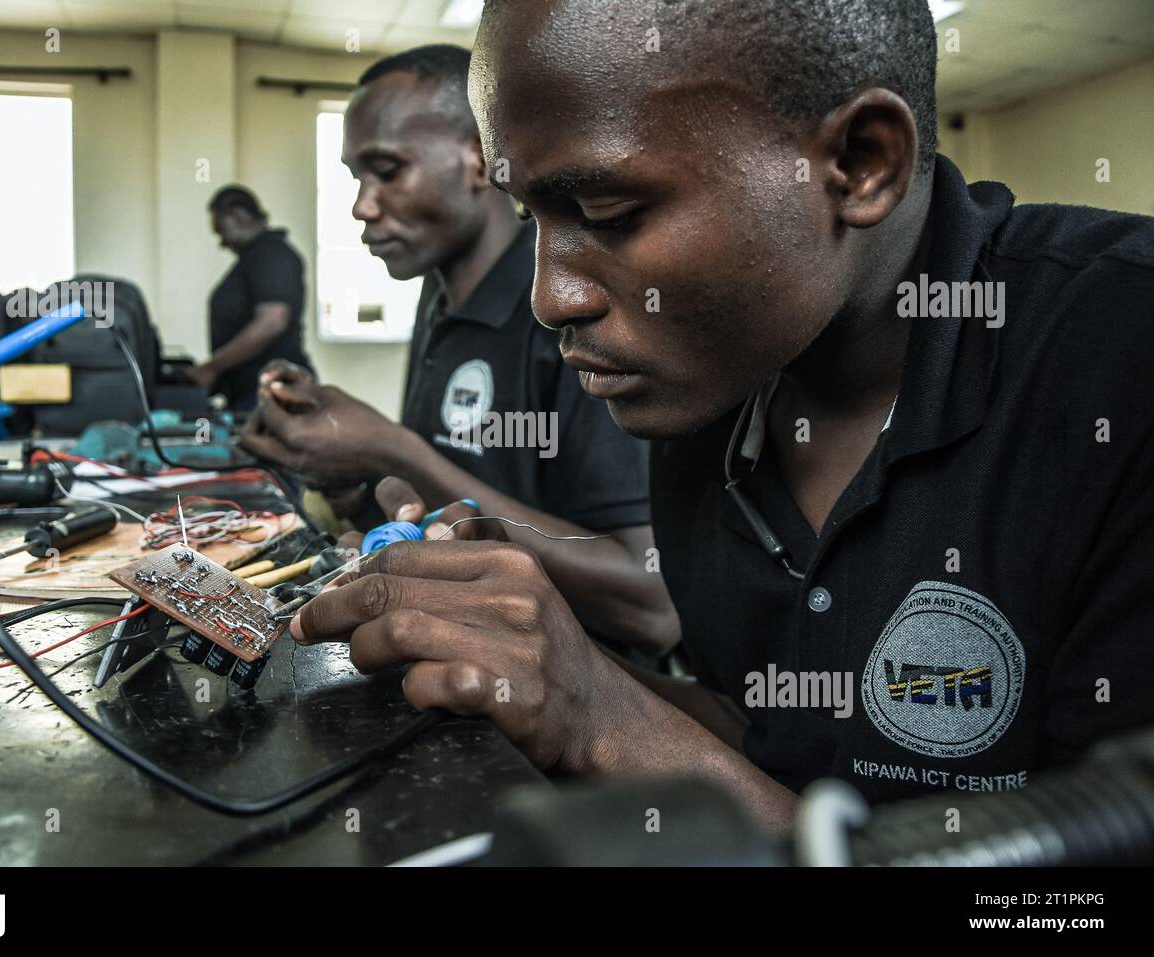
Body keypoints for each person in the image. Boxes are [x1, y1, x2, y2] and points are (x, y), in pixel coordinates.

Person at [282, 0, 1154, 830]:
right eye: (531, 217)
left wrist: (602, 718)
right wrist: (548, 658)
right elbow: (775, 746)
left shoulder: (1118, 357)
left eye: (607, 213)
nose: (550, 298)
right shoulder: (709, 385)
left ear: (859, 161)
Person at [241, 45, 679, 657]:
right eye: (356, 179)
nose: (362, 207)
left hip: (570, 702)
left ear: (479, 161)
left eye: (387, 170)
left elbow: (650, 607)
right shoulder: (438, 295)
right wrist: (360, 480)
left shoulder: (570, 305)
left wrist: (395, 448)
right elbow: (453, 493)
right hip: (452, 664)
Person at [190, 186, 312, 410]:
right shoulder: (255, 257)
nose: (221, 242)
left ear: (238, 215)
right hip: (254, 395)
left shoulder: (271, 254)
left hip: (274, 395)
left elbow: (272, 321)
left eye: (220, 231)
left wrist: (211, 369)